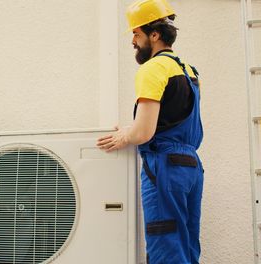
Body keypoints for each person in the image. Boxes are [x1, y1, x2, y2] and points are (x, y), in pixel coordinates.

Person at [97, 0, 204, 263]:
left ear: (154, 35)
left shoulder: (153, 68)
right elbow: (168, 120)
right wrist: (130, 129)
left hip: (164, 166)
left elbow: (144, 132)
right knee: (187, 245)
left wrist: (124, 136)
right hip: (191, 167)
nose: (133, 40)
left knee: (165, 244)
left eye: (136, 33)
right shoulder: (188, 70)